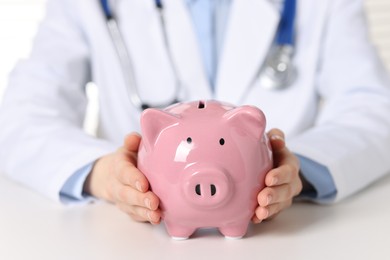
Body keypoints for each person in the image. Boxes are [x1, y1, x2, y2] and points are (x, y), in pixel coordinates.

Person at [0, 0, 389, 226]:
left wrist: (294, 170)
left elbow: (375, 108)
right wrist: (102, 174)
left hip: (280, 238)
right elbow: (20, 114)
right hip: (128, 240)